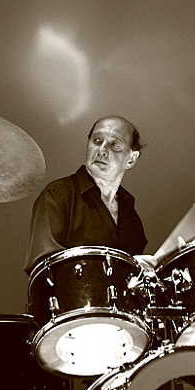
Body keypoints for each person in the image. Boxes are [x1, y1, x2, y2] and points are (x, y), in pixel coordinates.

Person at [24, 115, 154, 274]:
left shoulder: (131, 216)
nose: (102, 151)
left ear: (132, 159)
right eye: (97, 141)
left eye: (114, 145)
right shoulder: (57, 194)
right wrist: (123, 267)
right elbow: (44, 267)